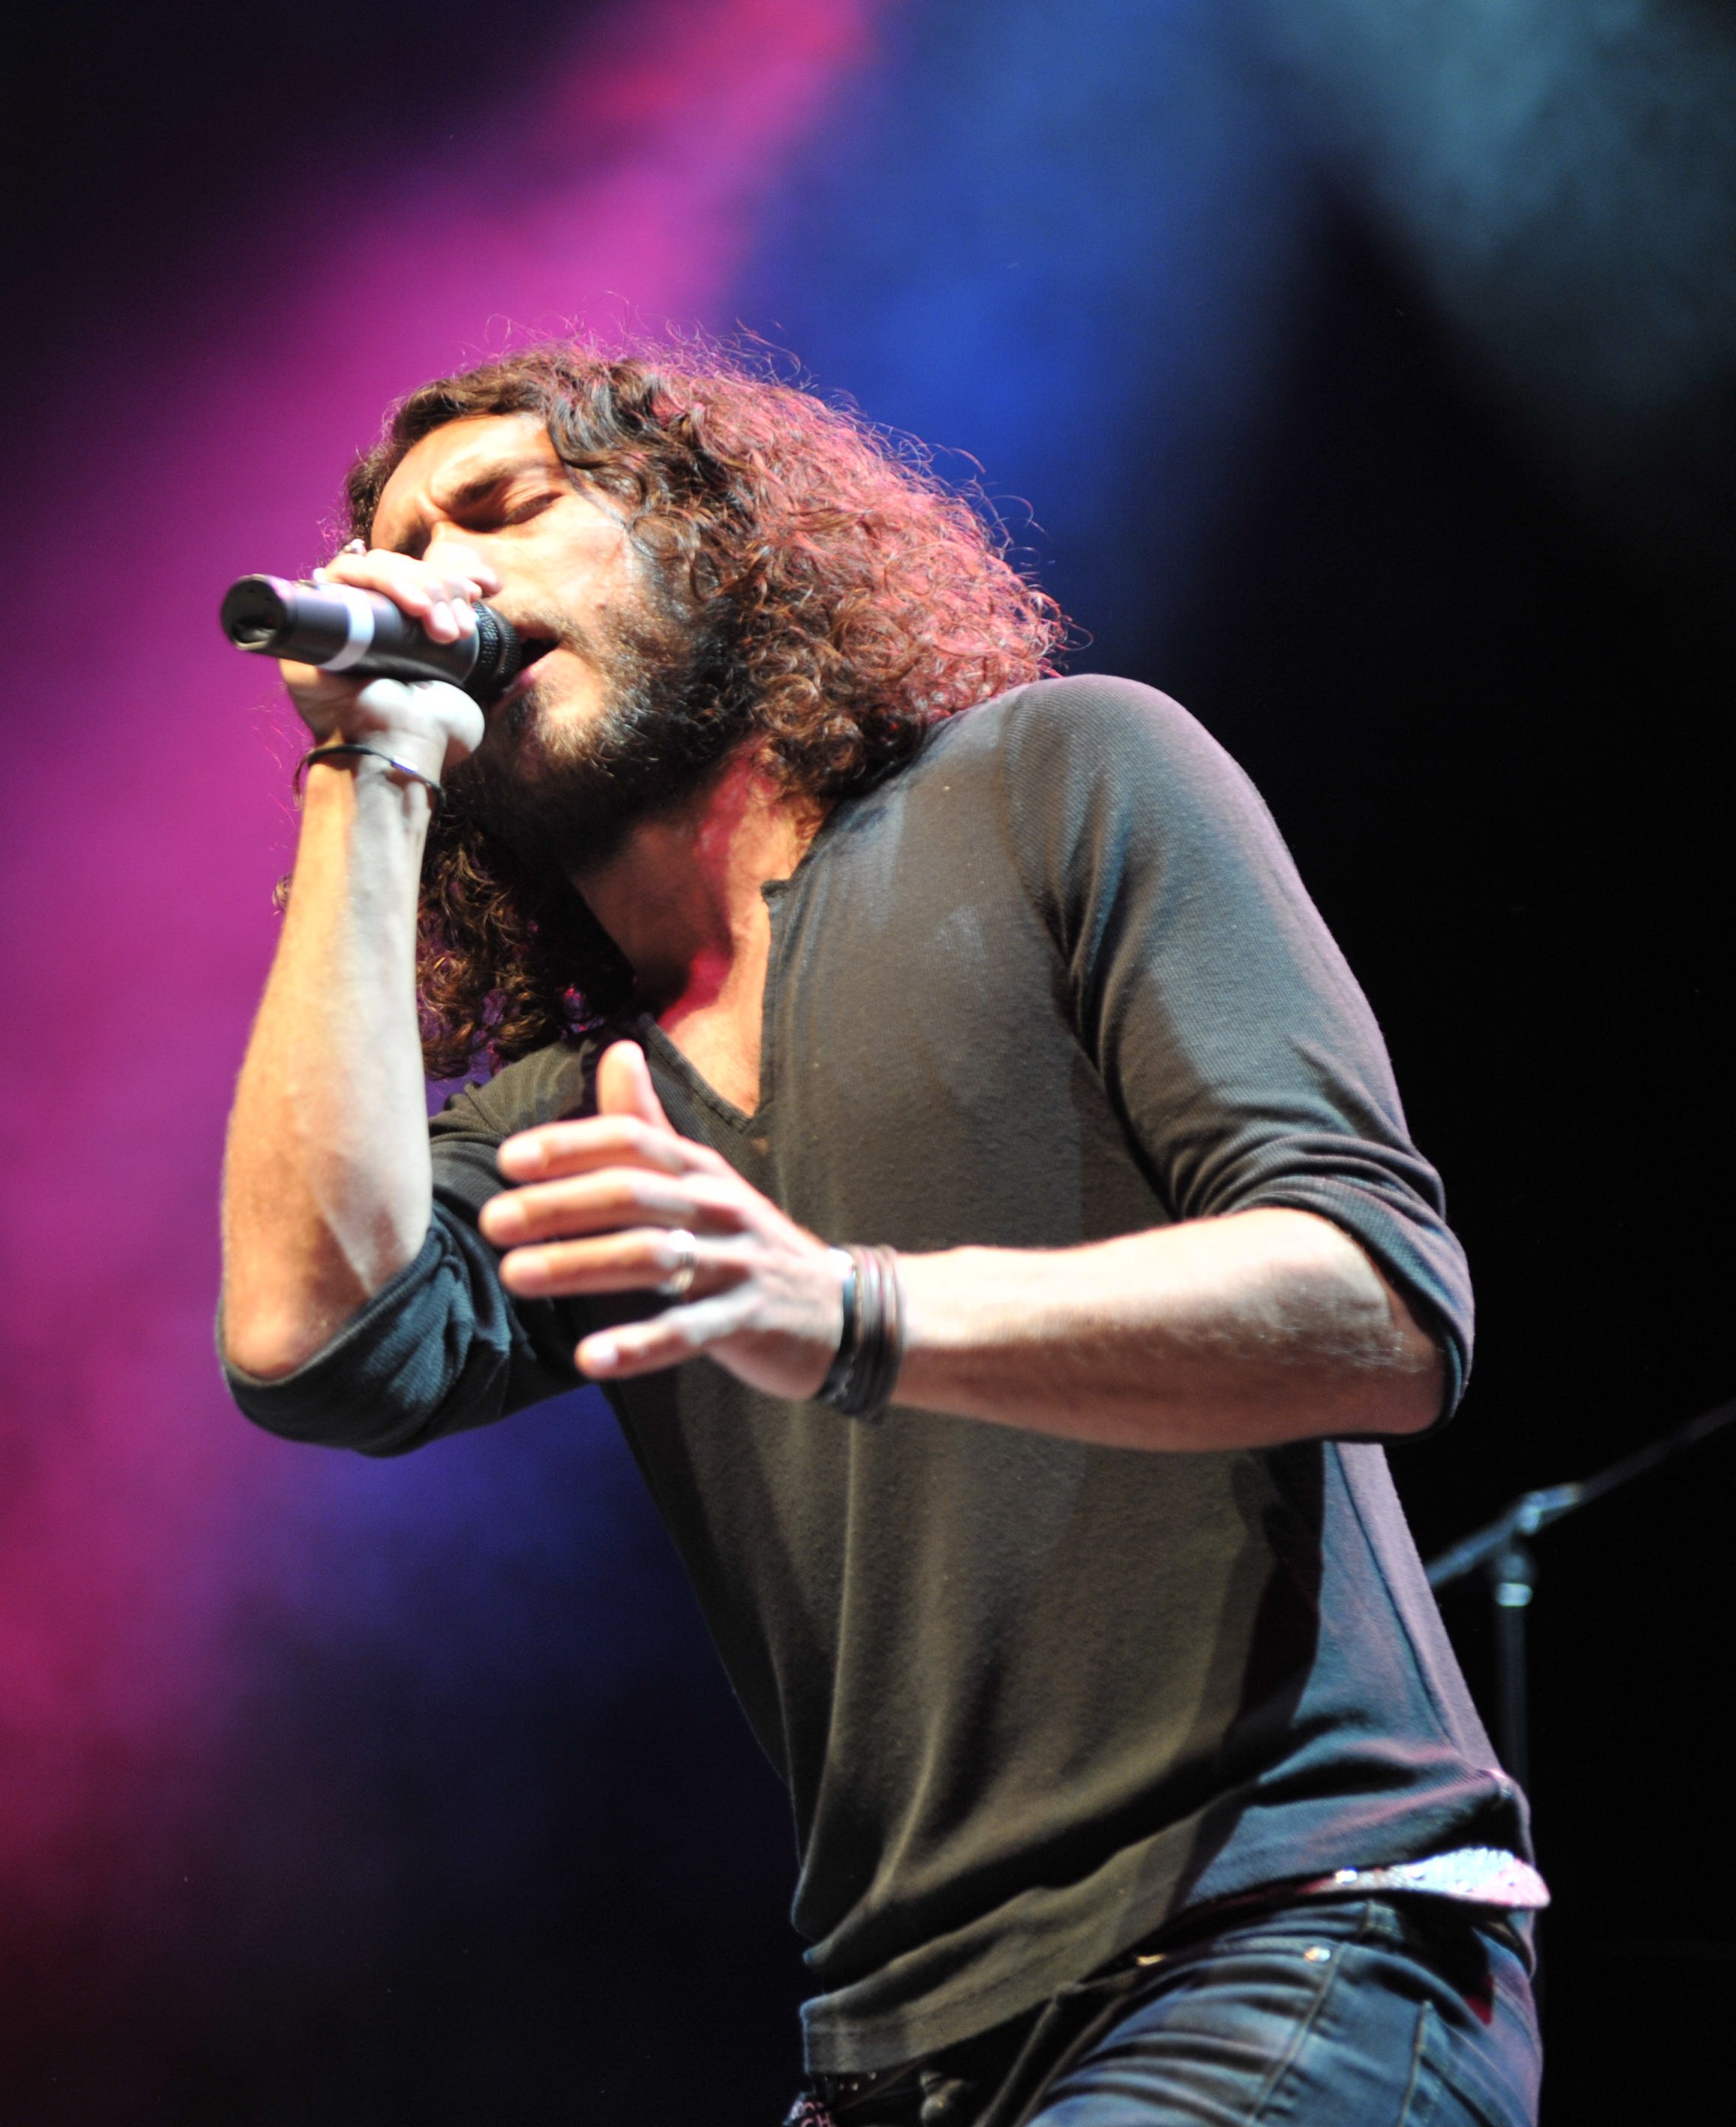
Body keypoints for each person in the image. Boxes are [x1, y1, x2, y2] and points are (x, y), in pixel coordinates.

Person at [216, 345, 1542, 2126]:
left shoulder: (1059, 781)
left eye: (504, 511)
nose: (441, 576)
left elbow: (1378, 1310)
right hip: (892, 2056)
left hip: (1288, 1940)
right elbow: (314, 1343)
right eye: (400, 546)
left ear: (710, 541)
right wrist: (363, 770)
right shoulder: (568, 1100)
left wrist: (845, 1310)